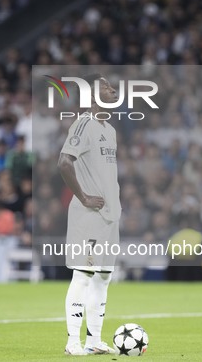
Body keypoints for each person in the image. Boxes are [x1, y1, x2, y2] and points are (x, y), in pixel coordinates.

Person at [57, 74, 121, 355]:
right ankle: (73, 343)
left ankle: (94, 340)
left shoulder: (110, 130)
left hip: (109, 216)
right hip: (88, 214)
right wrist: (83, 197)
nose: (112, 89)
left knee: (103, 277)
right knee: (82, 275)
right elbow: (64, 162)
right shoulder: (83, 123)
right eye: (106, 87)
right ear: (93, 97)